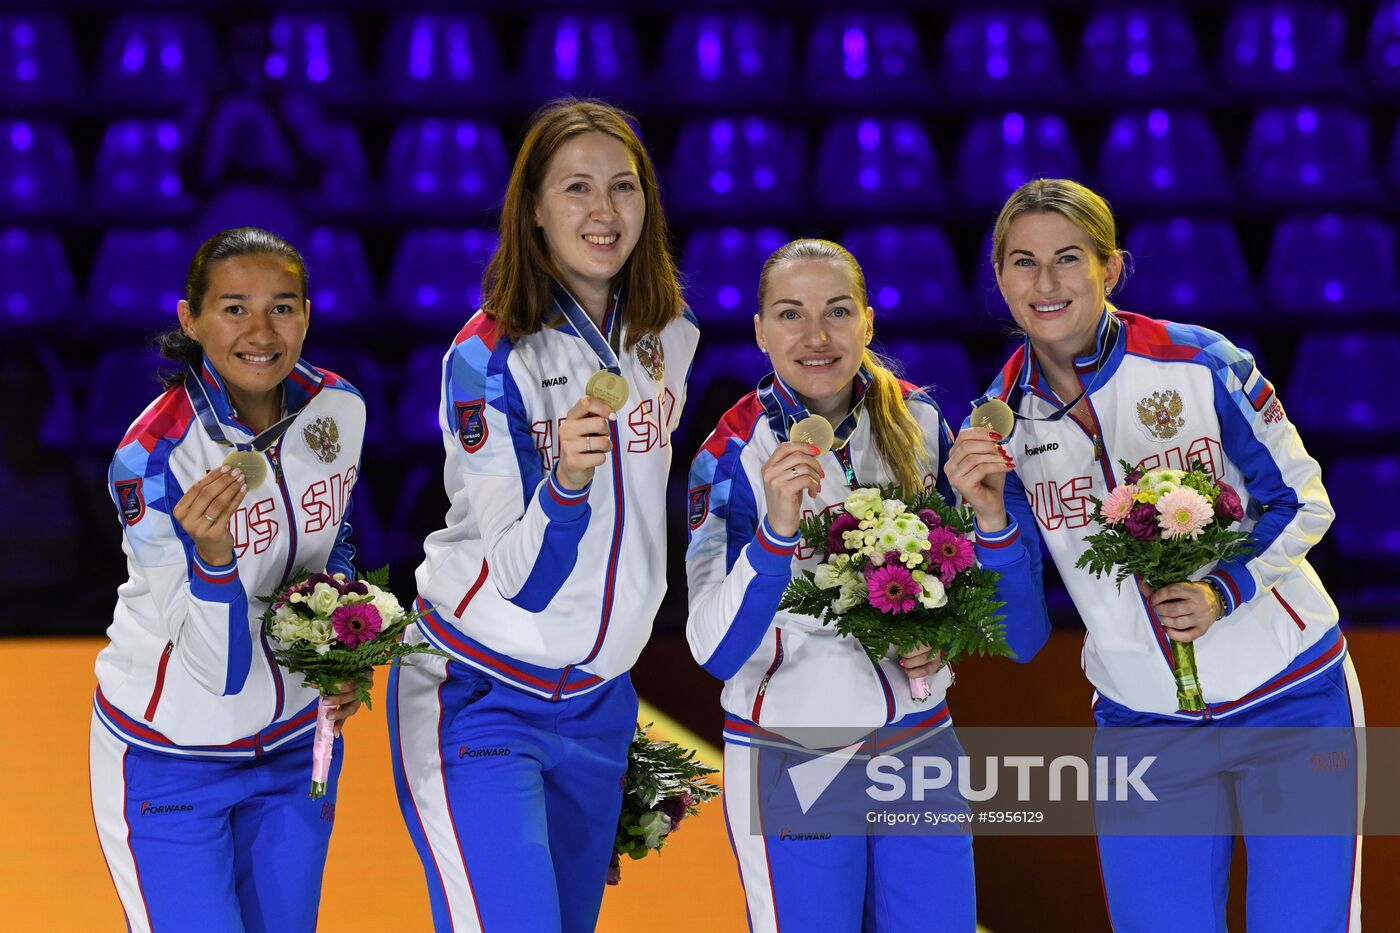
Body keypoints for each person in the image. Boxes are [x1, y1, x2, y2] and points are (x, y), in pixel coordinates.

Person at [963, 178, 1363, 931]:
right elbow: (1018, 637)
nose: (1046, 284)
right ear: (1000, 278)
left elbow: (1305, 500)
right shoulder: (997, 425)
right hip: (1142, 725)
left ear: (1110, 269)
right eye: (1023, 262)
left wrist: (1226, 589)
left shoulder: (1197, 361)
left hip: (1294, 699)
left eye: (1068, 259)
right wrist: (989, 515)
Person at [388, 99, 699, 932]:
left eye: (623, 187)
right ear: (533, 208)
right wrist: (562, 480)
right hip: (481, 689)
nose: (604, 212)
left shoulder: (667, 334)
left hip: (600, 702)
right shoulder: (487, 359)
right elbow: (523, 582)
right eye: (576, 189)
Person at [685, 239, 1049, 932]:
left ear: (869, 322)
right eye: (791, 314)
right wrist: (776, 531)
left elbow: (1023, 634)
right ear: (760, 331)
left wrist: (989, 536)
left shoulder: (922, 423)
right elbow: (716, 651)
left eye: (837, 311)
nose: (817, 336)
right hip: (793, 752)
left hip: (919, 744)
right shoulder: (728, 454)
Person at [89, 228, 369, 932]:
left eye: (282, 307)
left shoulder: (338, 410)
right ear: (191, 319)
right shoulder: (152, 458)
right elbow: (215, 669)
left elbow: (333, 540)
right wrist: (214, 557)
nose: (261, 332)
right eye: (235, 308)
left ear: (307, 313)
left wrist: (343, 651)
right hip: (171, 758)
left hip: (294, 751)